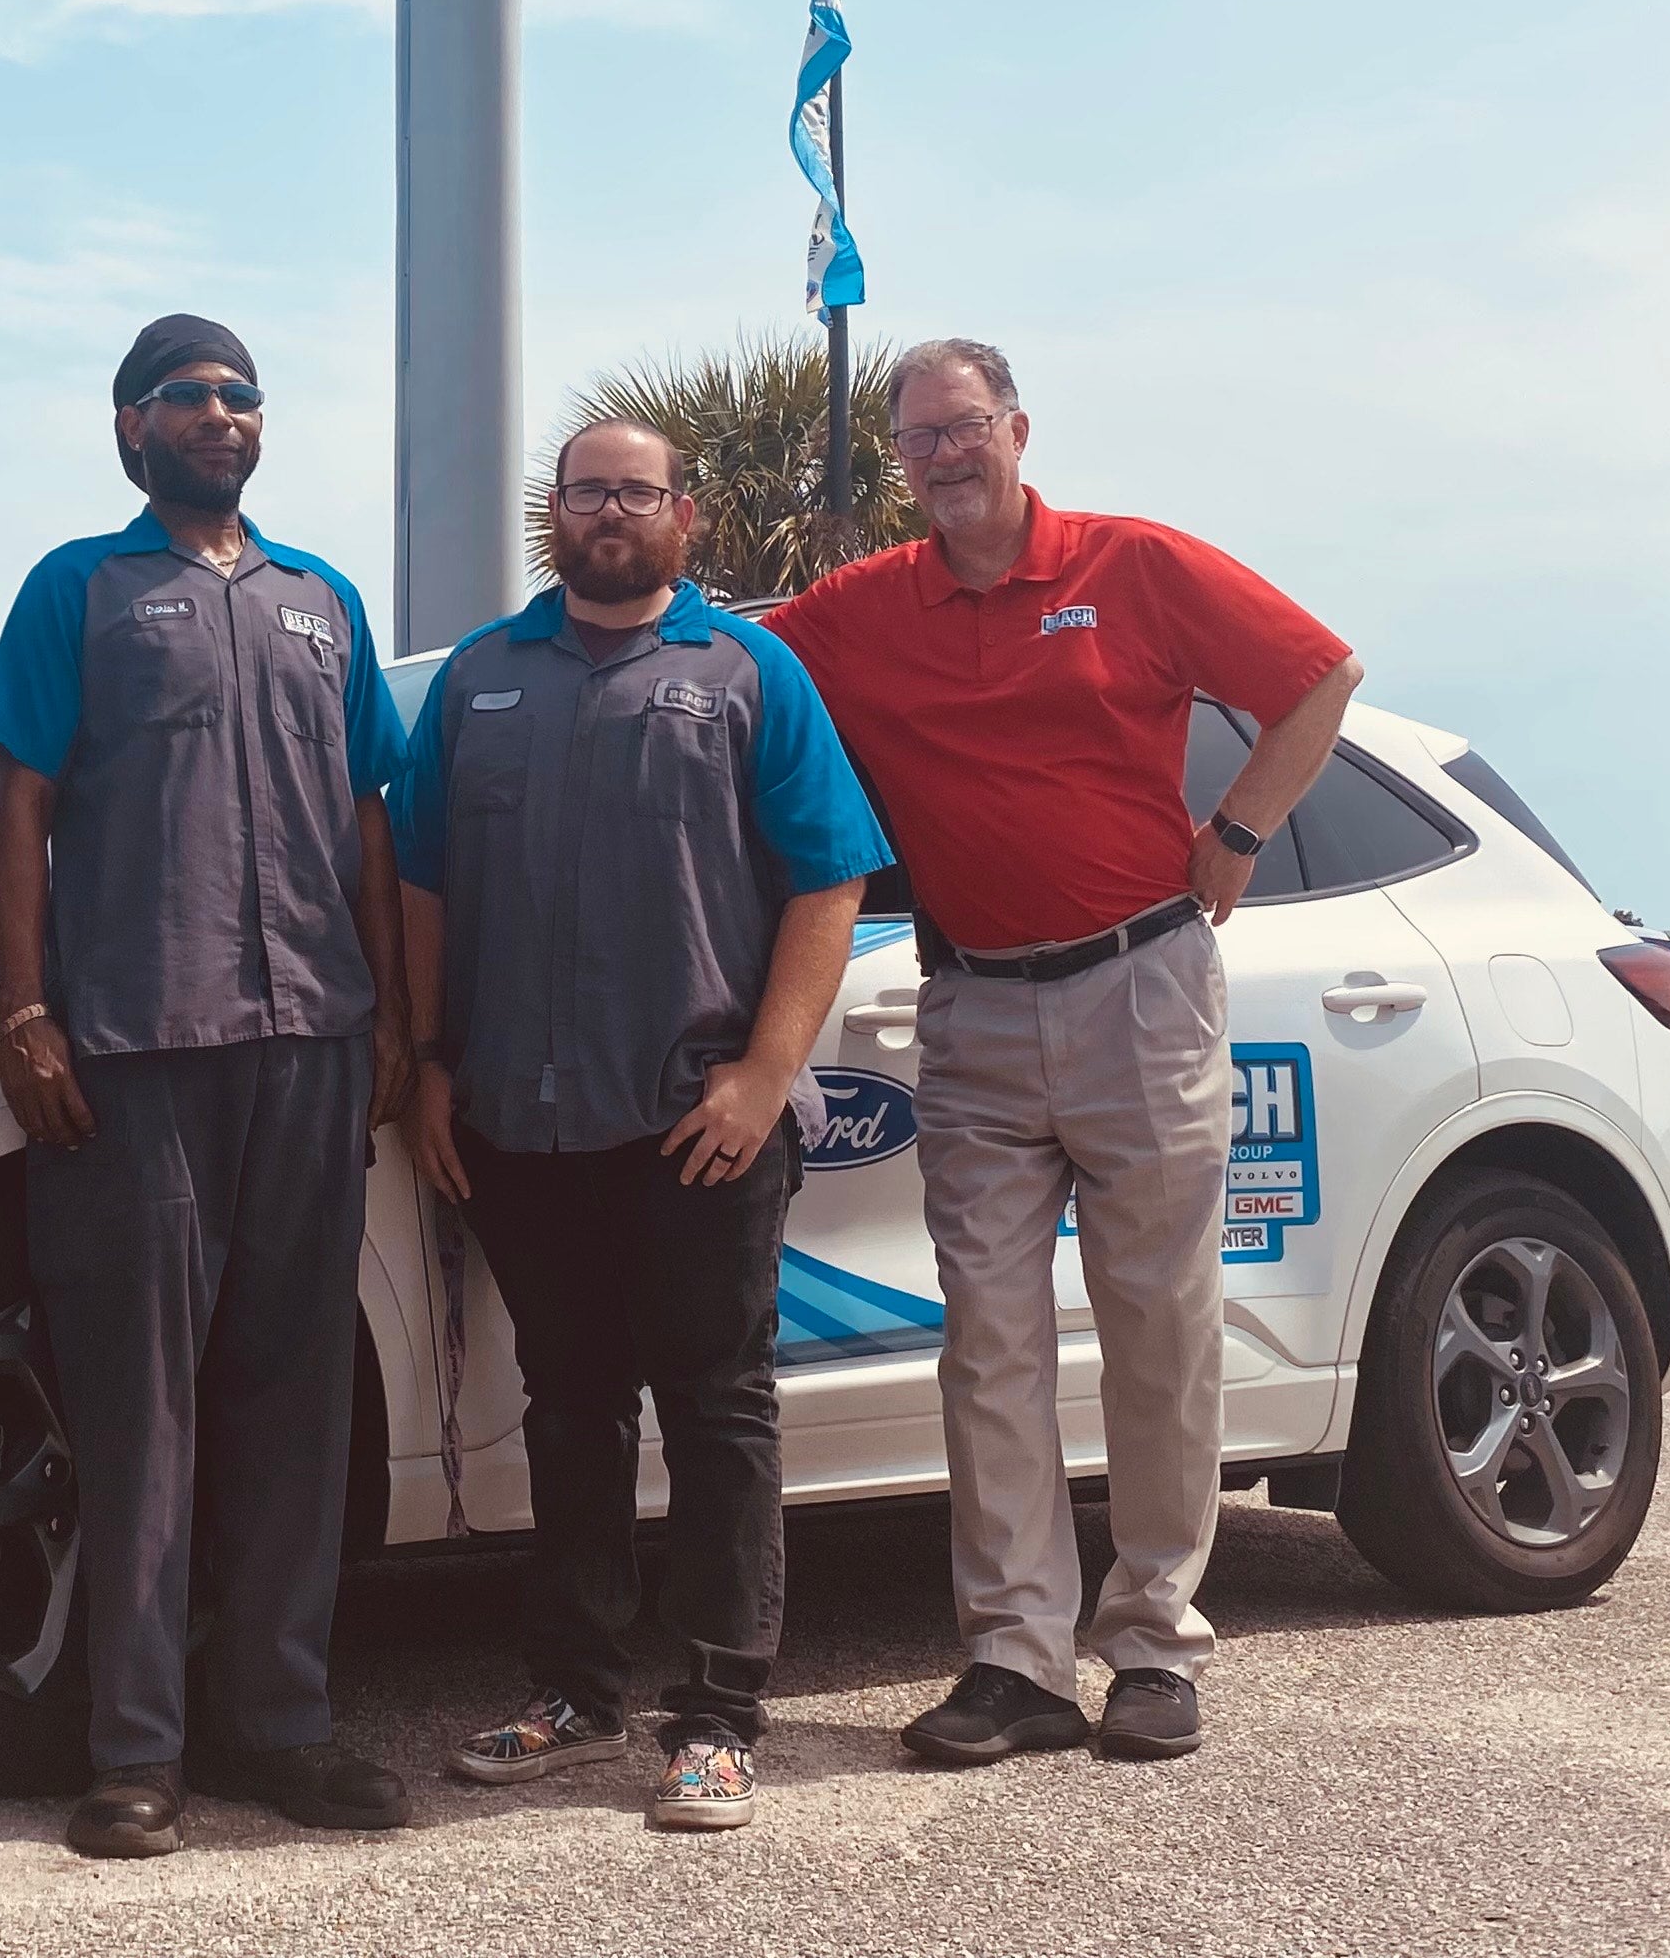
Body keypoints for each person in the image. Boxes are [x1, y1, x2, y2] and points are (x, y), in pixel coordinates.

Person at [762, 339, 1360, 1770]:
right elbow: (727, 680)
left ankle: (1153, 1641)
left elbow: (1320, 673)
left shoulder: (1130, 565)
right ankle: (1016, 1659)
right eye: (915, 441)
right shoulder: (859, 610)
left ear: (1017, 429)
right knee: (991, 1340)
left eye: (963, 430)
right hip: (967, 1007)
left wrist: (1235, 836)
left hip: (1139, 986)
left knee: (1157, 1322)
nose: (942, 458)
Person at [393, 417, 892, 1834]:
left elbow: (830, 876)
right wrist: (433, 1062)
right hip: (519, 1120)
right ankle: (574, 1690)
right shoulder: (482, 680)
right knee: (570, 1407)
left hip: (697, 1125)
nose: (611, 511)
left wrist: (760, 1073)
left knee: (719, 1410)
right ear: (554, 513)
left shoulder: (747, 672)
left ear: (685, 516)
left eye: (638, 491)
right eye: (587, 491)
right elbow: (421, 881)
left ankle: (722, 1714)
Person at [0, 317, 413, 1861]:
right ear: (129, 427)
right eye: (189, 397)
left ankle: (280, 1724)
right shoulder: (76, 592)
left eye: (240, 397)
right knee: (135, 1408)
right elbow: (19, 807)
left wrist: (390, 1023)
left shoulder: (323, 602)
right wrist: (23, 1009)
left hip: (309, 1044)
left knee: (296, 1395)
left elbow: (371, 822)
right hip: (135, 1049)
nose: (221, 416)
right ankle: (136, 1751)